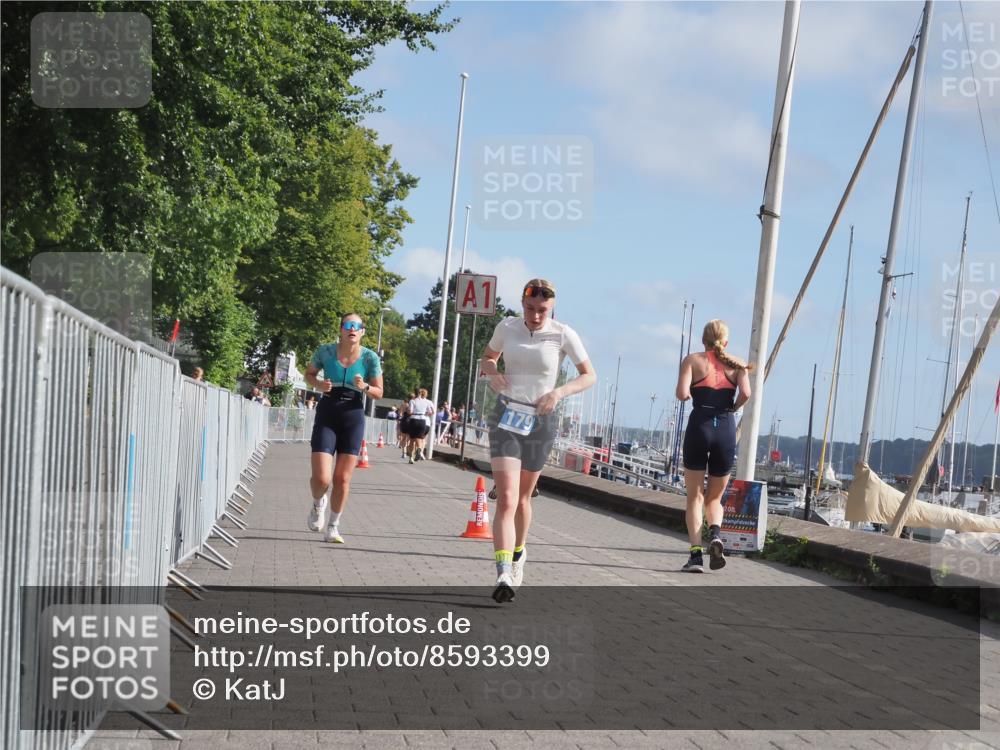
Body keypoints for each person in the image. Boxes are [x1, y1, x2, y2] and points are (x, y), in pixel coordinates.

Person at [481, 278, 596, 602]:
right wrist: (493, 373)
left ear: (552, 307)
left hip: (541, 419)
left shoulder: (563, 334)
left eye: (542, 310)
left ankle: (519, 552)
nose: (535, 316)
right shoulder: (507, 327)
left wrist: (559, 393)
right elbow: (487, 358)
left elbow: (589, 375)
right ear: (522, 304)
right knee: (505, 497)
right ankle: (503, 571)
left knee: (522, 499)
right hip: (507, 415)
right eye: (530, 309)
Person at [674, 319, 752, 573]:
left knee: (694, 497)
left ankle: (695, 555)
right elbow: (747, 394)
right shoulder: (738, 365)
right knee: (715, 497)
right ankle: (716, 534)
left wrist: (689, 393)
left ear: (703, 340)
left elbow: (682, 393)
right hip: (726, 428)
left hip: (700, 425)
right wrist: (735, 407)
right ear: (725, 342)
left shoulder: (692, 360)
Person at [305, 313, 384, 544]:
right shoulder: (325, 351)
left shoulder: (370, 358)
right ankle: (318, 503)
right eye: (348, 325)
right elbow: (309, 374)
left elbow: (379, 392)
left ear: (362, 332)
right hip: (328, 411)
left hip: (353, 414)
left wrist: (365, 386)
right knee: (321, 479)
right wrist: (319, 384)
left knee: (342, 478)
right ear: (340, 329)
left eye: (357, 326)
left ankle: (333, 526)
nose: (352, 329)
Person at [405, 388, 434, 463]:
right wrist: (424, 413)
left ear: (415, 393)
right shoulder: (426, 402)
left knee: (412, 439)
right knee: (420, 438)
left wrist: (408, 411)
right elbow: (431, 412)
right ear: (420, 393)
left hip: (414, 419)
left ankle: (411, 457)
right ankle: (419, 449)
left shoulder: (412, 401)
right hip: (422, 420)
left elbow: (410, 412)